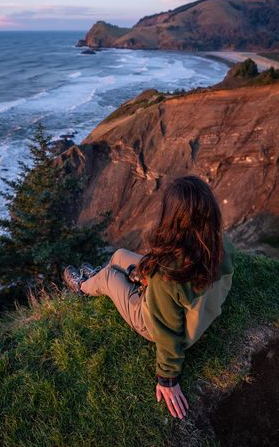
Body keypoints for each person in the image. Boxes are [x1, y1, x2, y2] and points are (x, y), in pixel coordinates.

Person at [63, 175, 236, 419]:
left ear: (172, 218)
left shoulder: (167, 273)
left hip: (156, 323)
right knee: (120, 255)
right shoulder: (218, 241)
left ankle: (82, 286)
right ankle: (99, 276)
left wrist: (168, 379)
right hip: (197, 305)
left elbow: (166, 331)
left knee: (110, 278)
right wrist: (151, 275)